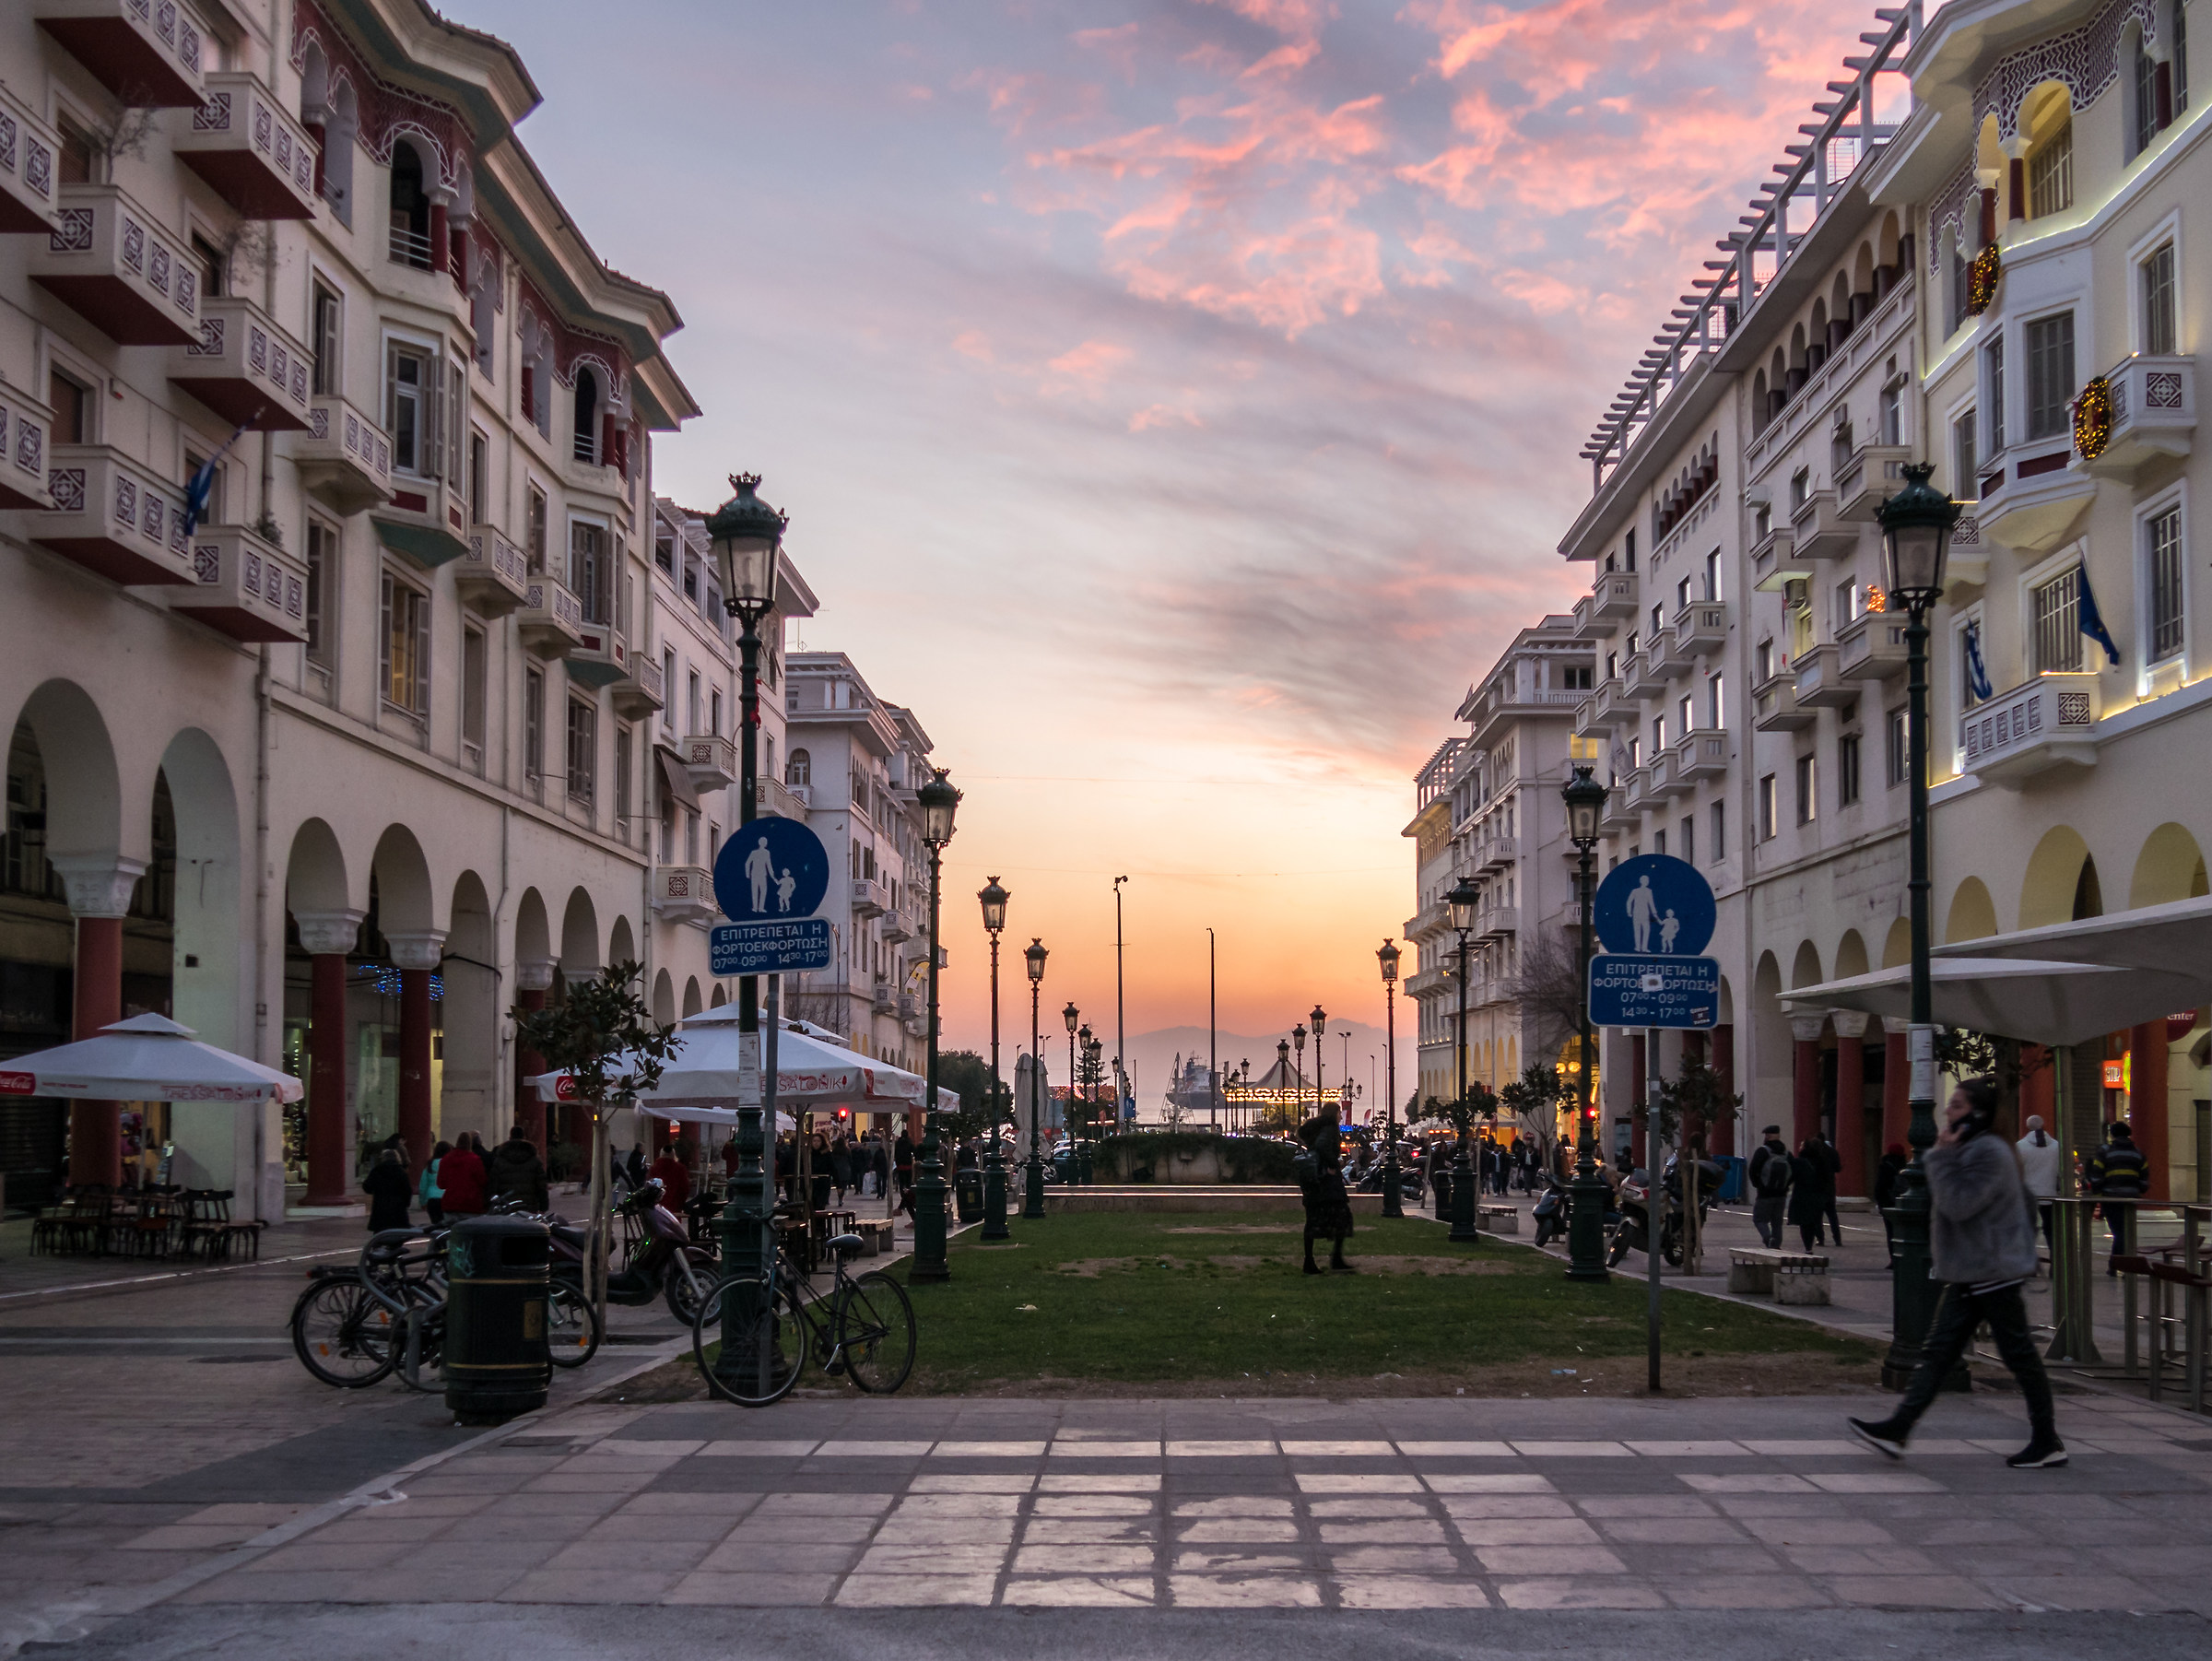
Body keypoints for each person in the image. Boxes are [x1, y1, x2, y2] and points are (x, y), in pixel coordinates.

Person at [1849, 1077, 2065, 1469]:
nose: (1947, 1110)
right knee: (1939, 1351)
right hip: (1974, 1271)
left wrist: (1940, 1158)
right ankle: (1900, 1427)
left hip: (1992, 1270)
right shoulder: (1977, 1148)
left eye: (1957, 1104)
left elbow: (1958, 1204)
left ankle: (2047, 1439)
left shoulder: (1988, 1153)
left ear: (1976, 1114)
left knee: (2017, 1354)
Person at [1297, 1112, 1355, 1274]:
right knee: (1342, 1217)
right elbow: (1323, 1146)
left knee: (1312, 1221)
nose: (1340, 1117)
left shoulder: (1315, 1129)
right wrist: (1331, 1163)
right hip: (1327, 1183)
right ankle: (1335, 1258)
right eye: (1338, 1113)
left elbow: (1310, 1139)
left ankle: (1310, 1261)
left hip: (1314, 1183)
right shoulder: (1330, 1129)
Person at [2088, 1120, 2148, 1274]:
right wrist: (2137, 1189)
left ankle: (2115, 1265)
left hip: (2111, 1197)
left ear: (2112, 1134)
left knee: (2118, 1232)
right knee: (2126, 1231)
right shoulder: (2138, 1153)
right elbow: (2144, 1180)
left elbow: (2096, 1175)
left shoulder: (2105, 1152)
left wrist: (2098, 1193)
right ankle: (2124, 1264)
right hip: (2130, 1198)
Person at [2015, 1114, 2062, 1251]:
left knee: (2028, 1229)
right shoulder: (2056, 1146)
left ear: (2027, 1127)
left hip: (2028, 1195)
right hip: (2050, 1193)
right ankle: (2055, 1259)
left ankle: (2028, 1262)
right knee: (2051, 1229)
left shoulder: (2020, 1146)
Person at [486, 1125, 549, 1214]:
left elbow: (493, 1185)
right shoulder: (534, 1160)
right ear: (524, 1137)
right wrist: (543, 1206)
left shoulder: (500, 1160)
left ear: (510, 1138)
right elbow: (541, 1186)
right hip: (528, 1206)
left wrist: (491, 1204)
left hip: (506, 1206)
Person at [1748, 1125, 1792, 1248]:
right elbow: (1793, 1172)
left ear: (1767, 1136)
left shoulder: (1763, 1151)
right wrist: (1786, 1185)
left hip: (1765, 1194)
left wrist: (1758, 1185)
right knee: (1777, 1223)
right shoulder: (1787, 1153)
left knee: (1759, 1219)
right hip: (1781, 1194)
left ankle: (1768, 1239)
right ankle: (1776, 1245)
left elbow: (1752, 1170)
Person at [1788, 1137, 1832, 1252]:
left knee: (1804, 1223)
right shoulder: (1822, 1161)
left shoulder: (1799, 1161)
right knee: (1813, 1222)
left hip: (1802, 1196)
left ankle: (1808, 1247)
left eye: (1801, 1145)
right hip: (1817, 1196)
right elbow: (1827, 1179)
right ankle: (1811, 1244)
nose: (1799, 1147)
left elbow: (1791, 1177)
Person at [1805, 1130, 1845, 1245]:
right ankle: (1837, 1239)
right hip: (1830, 1187)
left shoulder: (1814, 1154)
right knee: (1832, 1216)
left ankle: (1820, 1239)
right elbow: (1837, 1168)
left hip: (1817, 1189)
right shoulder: (1832, 1152)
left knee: (1818, 1216)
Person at [363, 1147, 413, 1233]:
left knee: (380, 1235)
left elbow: (367, 1187)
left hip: (380, 1206)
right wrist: (406, 1203)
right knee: (398, 1233)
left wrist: (377, 1190)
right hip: (398, 1208)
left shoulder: (377, 1170)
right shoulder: (401, 1171)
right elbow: (407, 1190)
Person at [436, 1136, 486, 1219]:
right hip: (471, 1203)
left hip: (450, 1203)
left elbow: (441, 1184)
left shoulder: (446, 1159)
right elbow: (483, 1181)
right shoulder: (475, 1159)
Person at [649, 1139, 691, 1213]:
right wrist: (680, 1203)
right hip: (674, 1207)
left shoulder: (653, 1169)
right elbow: (685, 1188)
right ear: (674, 1155)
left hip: (657, 1209)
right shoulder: (680, 1169)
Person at [418, 1140, 450, 1226]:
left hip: (431, 1198)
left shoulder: (430, 1165)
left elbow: (423, 1186)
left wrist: (423, 1202)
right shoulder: (449, 1164)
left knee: (435, 1225)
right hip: (446, 1198)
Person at [893, 1127, 915, 1216]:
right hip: (908, 1165)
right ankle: (906, 1197)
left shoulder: (897, 1143)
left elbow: (895, 1153)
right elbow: (913, 1151)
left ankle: (903, 1196)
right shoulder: (909, 1143)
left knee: (902, 1183)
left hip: (900, 1166)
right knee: (908, 1183)